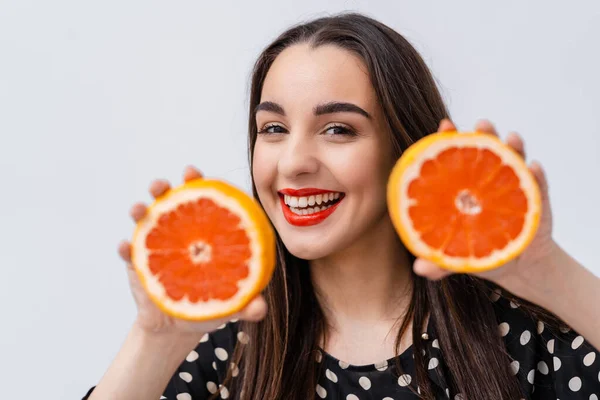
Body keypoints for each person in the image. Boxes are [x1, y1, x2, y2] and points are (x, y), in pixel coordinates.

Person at [83, 12, 600, 400]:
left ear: (406, 146)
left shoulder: (523, 341)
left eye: (338, 129)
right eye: (274, 129)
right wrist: (152, 340)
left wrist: (543, 271)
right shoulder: (224, 353)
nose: (294, 163)